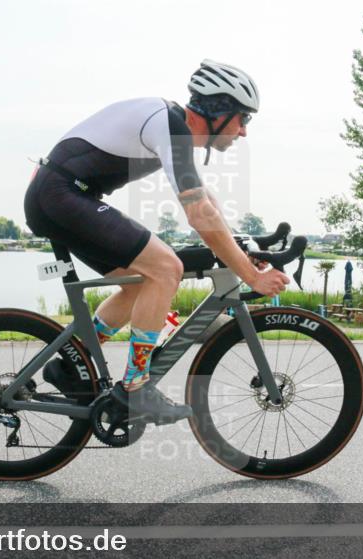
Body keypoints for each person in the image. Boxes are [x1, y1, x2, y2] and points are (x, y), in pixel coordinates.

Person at [24, 59, 289, 423]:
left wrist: (241, 250)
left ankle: (71, 365)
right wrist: (251, 276)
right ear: (219, 110)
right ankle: (136, 386)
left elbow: (208, 205)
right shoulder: (171, 126)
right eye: (243, 118)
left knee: (139, 285)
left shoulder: (173, 128)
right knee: (167, 269)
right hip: (61, 195)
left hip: (62, 196)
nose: (243, 131)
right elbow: (198, 216)